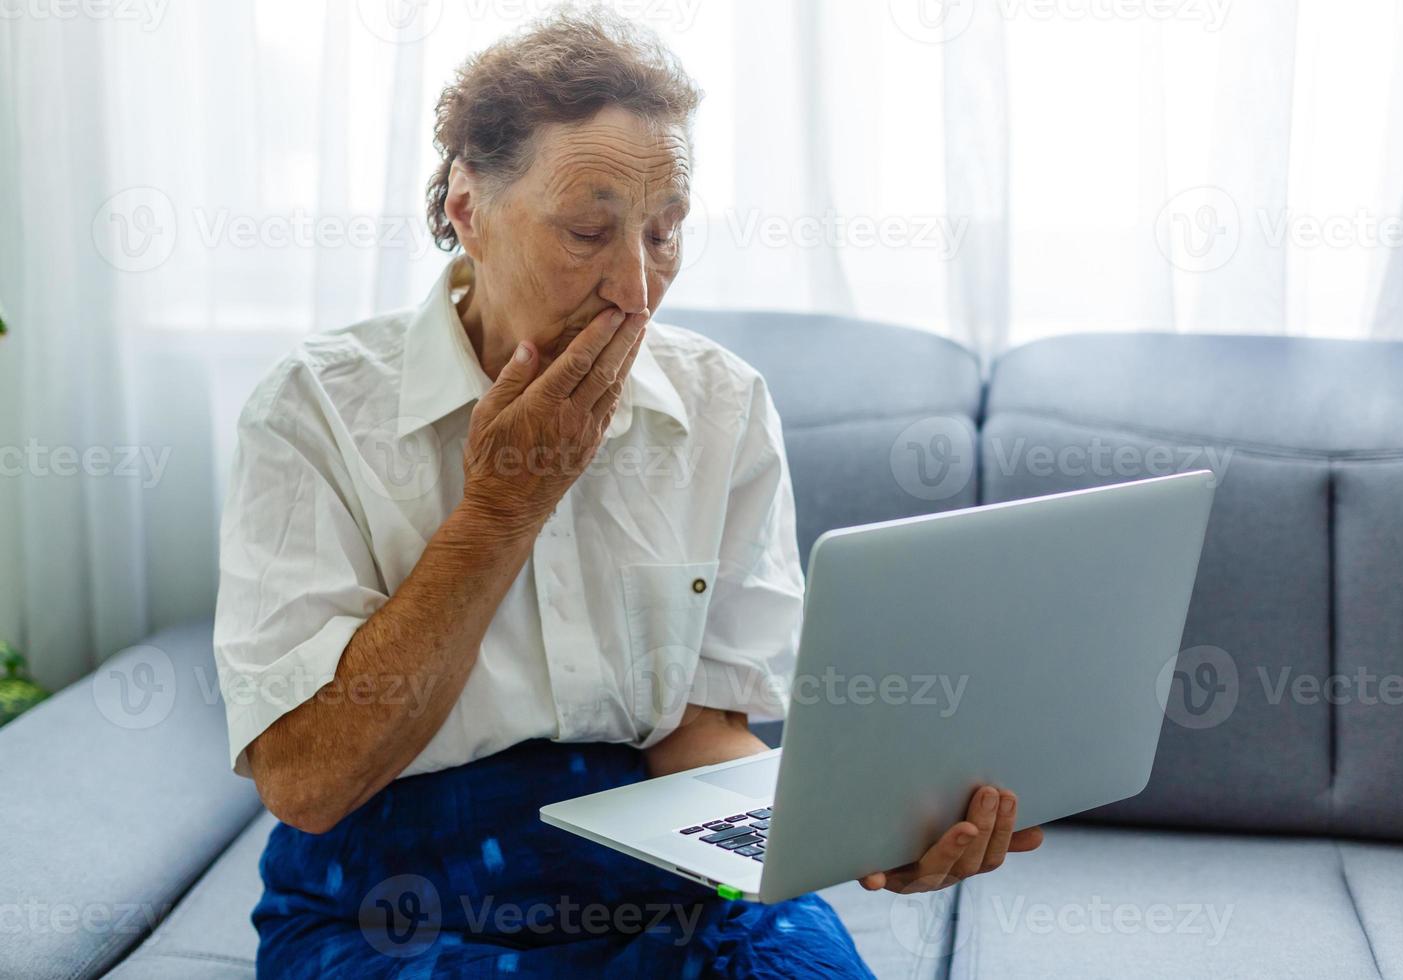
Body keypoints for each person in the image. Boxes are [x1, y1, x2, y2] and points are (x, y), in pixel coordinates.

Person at [213, 11, 1042, 977]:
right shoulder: (310, 411)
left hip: (663, 859)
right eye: (587, 231)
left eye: (665, 231)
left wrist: (864, 830)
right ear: (468, 209)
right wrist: (501, 510)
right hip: (388, 885)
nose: (637, 290)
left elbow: (702, 731)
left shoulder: (722, 406)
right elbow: (308, 783)